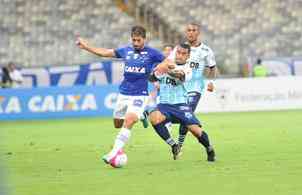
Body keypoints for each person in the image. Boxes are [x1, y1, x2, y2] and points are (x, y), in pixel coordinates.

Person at [76, 25, 165, 164]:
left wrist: (163, 71)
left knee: (129, 121)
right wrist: (86, 46)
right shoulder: (126, 50)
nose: (135, 43)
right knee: (118, 124)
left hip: (140, 95)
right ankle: (142, 114)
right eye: (133, 40)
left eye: (138, 40)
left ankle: (113, 152)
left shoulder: (153, 53)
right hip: (124, 93)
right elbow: (104, 53)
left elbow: (167, 62)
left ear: (144, 39)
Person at [149, 43, 216, 161]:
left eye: (183, 53)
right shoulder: (165, 64)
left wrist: (166, 69)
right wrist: (155, 72)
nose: (179, 55)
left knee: (196, 131)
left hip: (181, 106)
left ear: (188, 56)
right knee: (154, 117)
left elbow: (180, 76)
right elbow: (151, 79)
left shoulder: (188, 69)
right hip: (164, 105)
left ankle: (209, 148)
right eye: (178, 52)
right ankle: (174, 146)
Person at [166, 23, 217, 151]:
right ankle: (206, 144)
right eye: (188, 30)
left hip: (195, 88)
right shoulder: (179, 49)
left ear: (198, 32)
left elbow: (212, 68)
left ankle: (179, 145)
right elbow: (169, 62)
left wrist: (211, 82)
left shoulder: (206, 50)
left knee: (186, 114)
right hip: (180, 89)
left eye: (194, 30)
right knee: (185, 118)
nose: (191, 33)